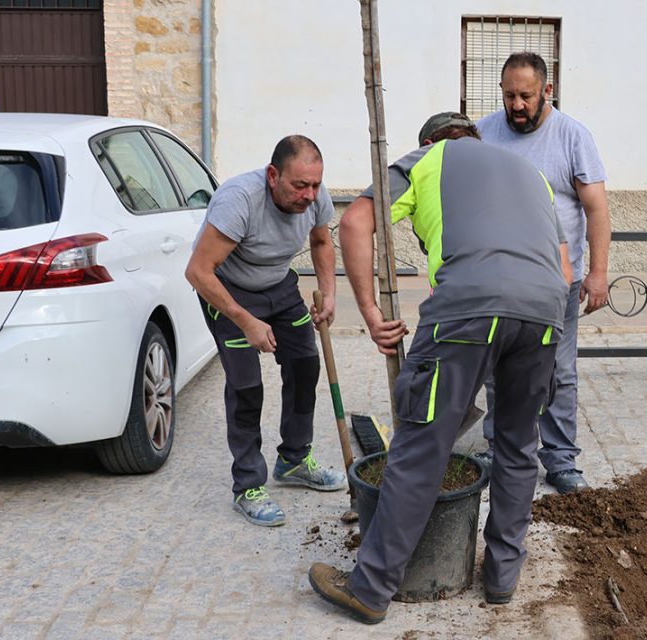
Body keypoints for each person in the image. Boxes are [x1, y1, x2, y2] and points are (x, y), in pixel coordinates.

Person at [306, 113, 571, 624]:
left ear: (429, 142)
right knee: (518, 446)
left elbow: (357, 221)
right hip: (543, 317)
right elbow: (562, 269)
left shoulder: (431, 157)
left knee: (423, 443)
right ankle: (501, 579)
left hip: (467, 309)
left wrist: (370, 312)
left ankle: (371, 588)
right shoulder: (529, 174)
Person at [185, 135, 347, 527]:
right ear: (273, 175)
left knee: (306, 365)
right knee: (246, 387)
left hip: (279, 286)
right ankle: (247, 486)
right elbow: (197, 272)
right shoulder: (239, 200)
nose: (309, 195)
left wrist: (328, 291)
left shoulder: (313, 197)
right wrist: (246, 320)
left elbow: (322, 240)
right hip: (228, 290)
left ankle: (293, 460)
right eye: (299, 186)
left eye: (315, 185)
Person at [475, 51, 611, 494]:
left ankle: (560, 459)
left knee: (559, 370)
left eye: (526, 96)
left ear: (547, 92)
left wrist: (597, 273)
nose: (517, 104)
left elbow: (596, 210)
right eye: (510, 95)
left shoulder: (572, 137)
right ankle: (502, 449)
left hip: (558, 282)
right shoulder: (483, 134)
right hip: (500, 280)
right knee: (499, 368)